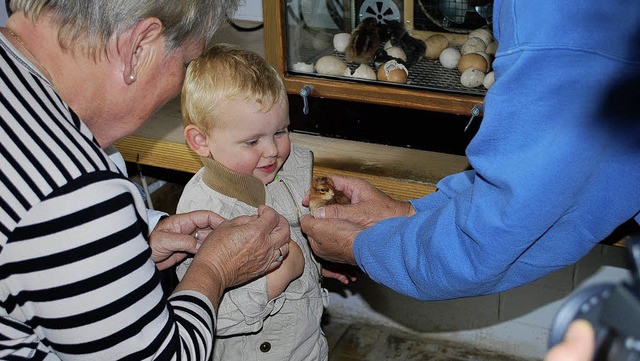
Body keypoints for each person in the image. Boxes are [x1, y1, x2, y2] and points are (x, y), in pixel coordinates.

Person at [0, 1, 292, 359]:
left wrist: (132, 243)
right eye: (185, 64)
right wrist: (213, 270)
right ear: (139, 47)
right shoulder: (72, 191)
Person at [300, 0, 640, 301]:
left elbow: (496, 233)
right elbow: (534, 171)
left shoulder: (556, 13)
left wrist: (361, 248)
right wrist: (408, 214)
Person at [176, 43, 353, 360]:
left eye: (281, 131)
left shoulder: (289, 165)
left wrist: (320, 261)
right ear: (201, 141)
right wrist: (279, 276)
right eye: (253, 141)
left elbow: (307, 220)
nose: (273, 150)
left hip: (307, 343)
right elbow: (206, 314)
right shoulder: (202, 213)